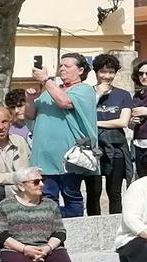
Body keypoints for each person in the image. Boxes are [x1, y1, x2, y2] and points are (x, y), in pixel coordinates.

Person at [24, 52, 96, 217]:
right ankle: (53, 228)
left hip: (68, 156)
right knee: (47, 197)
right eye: (61, 65)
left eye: (67, 66)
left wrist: (45, 80)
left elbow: (64, 102)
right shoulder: (51, 90)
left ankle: (74, 230)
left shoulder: (84, 90)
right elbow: (30, 115)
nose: (62, 69)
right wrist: (29, 99)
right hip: (44, 155)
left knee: (71, 195)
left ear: (80, 70)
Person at [77, 53, 133, 217]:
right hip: (92, 149)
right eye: (103, 72)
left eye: (111, 72)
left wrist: (95, 124)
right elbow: (82, 115)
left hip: (116, 148)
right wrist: (98, 95)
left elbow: (123, 122)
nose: (107, 76)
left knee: (114, 192)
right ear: (96, 72)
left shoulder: (123, 95)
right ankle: (94, 229)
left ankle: (116, 226)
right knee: (93, 193)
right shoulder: (87, 92)